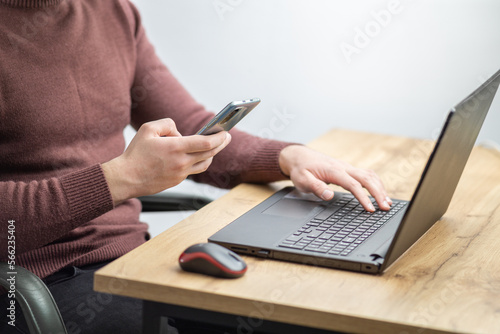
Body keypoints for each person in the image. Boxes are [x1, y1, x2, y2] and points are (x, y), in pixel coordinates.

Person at [0, 0, 392, 333]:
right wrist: (122, 178)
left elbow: (188, 127)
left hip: (135, 259)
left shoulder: (111, 11)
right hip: (38, 283)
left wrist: (286, 157)